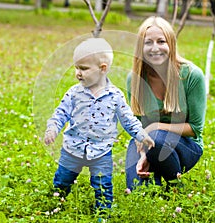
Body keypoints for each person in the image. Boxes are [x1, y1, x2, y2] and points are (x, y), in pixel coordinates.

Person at [44, 38, 154, 212]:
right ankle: (57, 203)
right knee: (63, 180)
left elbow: (128, 119)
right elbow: (61, 113)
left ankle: (103, 213)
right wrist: (53, 128)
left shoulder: (115, 96)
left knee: (103, 185)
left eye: (84, 68)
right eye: (76, 67)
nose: (78, 73)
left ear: (103, 69)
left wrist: (141, 134)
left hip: (101, 151)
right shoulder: (74, 93)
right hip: (73, 147)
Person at [125, 16, 206, 192]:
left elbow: (195, 128)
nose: (155, 48)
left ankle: (174, 187)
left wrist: (154, 126)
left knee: (157, 138)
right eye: (148, 42)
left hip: (186, 145)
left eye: (161, 41)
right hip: (149, 141)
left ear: (171, 44)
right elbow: (139, 126)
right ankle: (156, 178)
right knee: (137, 191)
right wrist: (143, 155)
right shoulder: (135, 79)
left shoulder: (192, 76)